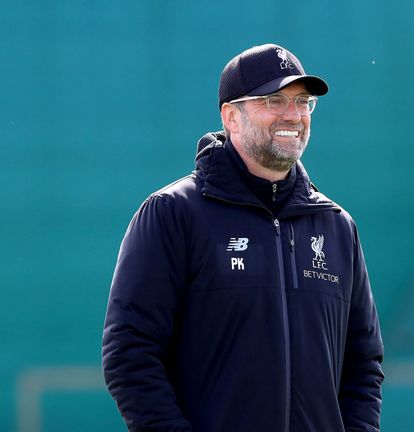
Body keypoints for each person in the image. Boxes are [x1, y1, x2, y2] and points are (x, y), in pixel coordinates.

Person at [102, 43, 384, 432]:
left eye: (303, 102)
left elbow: (363, 364)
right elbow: (130, 354)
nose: (293, 115)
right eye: (274, 100)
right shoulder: (173, 213)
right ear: (231, 116)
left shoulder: (336, 226)